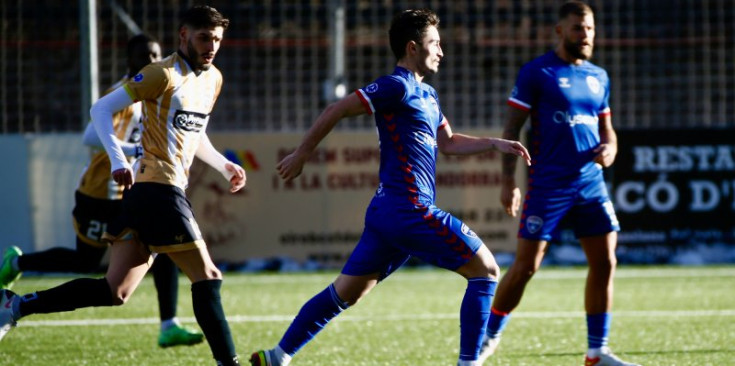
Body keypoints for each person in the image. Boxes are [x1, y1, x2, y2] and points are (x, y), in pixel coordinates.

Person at [249, 9, 531, 366]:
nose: (442, 51)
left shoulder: (427, 94)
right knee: (486, 271)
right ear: (413, 47)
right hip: (408, 209)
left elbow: (449, 143)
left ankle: (277, 356)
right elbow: (337, 108)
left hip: (388, 215)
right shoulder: (395, 86)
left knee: (346, 293)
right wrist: (302, 154)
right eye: (435, 44)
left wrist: (494, 143)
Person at [0, 5, 245, 365]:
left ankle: (16, 304)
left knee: (115, 290)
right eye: (204, 37)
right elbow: (100, 110)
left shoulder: (213, 79)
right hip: (159, 191)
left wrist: (224, 166)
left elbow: (196, 132)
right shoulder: (162, 73)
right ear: (184, 36)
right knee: (208, 276)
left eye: (218, 39)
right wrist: (118, 159)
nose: (211, 46)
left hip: (149, 195)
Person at [477, 2, 640, 366]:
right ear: (560, 31)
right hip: (548, 184)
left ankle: (597, 353)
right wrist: (509, 181)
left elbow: (607, 129)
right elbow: (511, 130)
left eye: (590, 29)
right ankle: (488, 335)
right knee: (526, 267)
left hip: (590, 183)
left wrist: (611, 147)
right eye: (579, 28)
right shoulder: (538, 73)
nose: (586, 36)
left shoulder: (599, 76)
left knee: (606, 262)